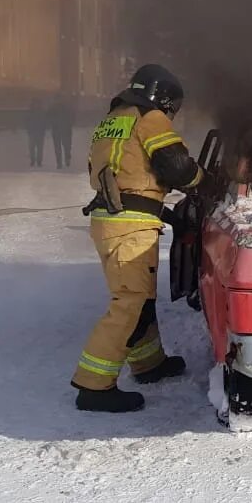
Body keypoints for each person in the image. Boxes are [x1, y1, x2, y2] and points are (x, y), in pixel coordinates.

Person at [71, 63, 209, 413]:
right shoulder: (149, 118)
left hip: (111, 218)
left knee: (140, 297)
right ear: (163, 99)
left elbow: (113, 172)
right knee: (130, 301)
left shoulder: (113, 119)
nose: (170, 114)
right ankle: (93, 385)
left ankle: (149, 364)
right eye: (171, 108)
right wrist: (204, 181)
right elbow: (176, 166)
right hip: (129, 224)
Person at [49, 93, 76, 169]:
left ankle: (64, 160)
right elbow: (72, 116)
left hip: (63, 129)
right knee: (63, 146)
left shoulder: (65, 107)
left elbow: (72, 116)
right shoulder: (56, 108)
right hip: (61, 129)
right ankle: (60, 162)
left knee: (64, 146)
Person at [25, 98, 49, 168]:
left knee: (39, 148)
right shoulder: (31, 112)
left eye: (38, 104)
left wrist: (44, 128)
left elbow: (45, 122)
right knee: (32, 148)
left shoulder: (42, 112)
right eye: (36, 104)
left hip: (39, 132)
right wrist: (28, 129)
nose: (36, 105)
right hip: (33, 132)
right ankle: (33, 160)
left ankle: (39, 161)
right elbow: (26, 121)